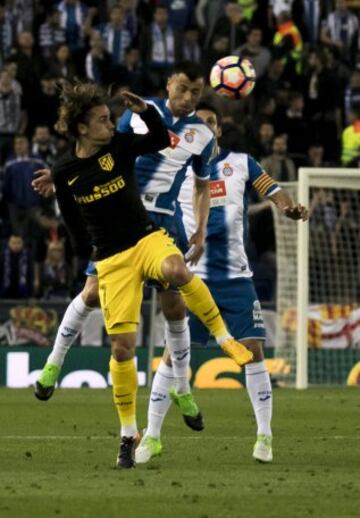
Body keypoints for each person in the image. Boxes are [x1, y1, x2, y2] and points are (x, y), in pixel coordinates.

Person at [33, 80, 253, 469]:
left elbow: (160, 143)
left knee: (176, 290)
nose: (111, 123)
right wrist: (91, 253)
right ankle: (119, 426)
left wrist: (145, 112)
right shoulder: (69, 169)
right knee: (112, 332)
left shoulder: (129, 143)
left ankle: (213, 351)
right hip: (112, 255)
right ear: (83, 128)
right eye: (103, 119)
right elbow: (71, 221)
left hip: (152, 232)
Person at [135, 102, 308, 465]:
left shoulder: (242, 162)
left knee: (254, 351)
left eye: (212, 122)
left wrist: (287, 207)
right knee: (172, 356)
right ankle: (151, 436)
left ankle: (264, 436)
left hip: (236, 278)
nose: (207, 127)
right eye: (200, 122)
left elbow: (272, 189)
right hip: (191, 278)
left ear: (219, 130)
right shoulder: (177, 167)